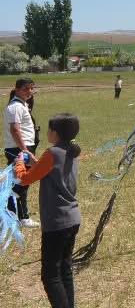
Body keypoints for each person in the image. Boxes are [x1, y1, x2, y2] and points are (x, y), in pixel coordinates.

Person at [14, 113, 82, 308]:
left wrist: (20, 161)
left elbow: (25, 179)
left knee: (50, 275)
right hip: (72, 218)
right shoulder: (71, 151)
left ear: (56, 133)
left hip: (57, 222)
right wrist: (35, 162)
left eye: (49, 129)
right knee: (65, 270)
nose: (47, 133)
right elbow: (51, 171)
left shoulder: (52, 153)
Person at [5, 78, 38, 228]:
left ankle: (20, 216)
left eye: (31, 88)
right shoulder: (15, 107)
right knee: (20, 184)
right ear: (17, 89)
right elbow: (15, 130)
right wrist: (25, 151)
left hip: (23, 148)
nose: (29, 91)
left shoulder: (22, 105)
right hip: (19, 149)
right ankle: (18, 217)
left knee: (21, 183)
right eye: (26, 88)